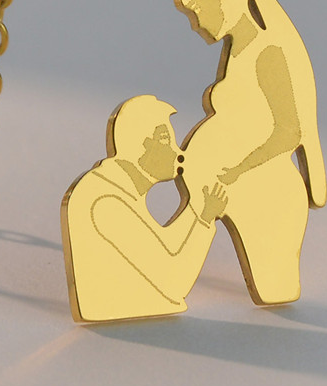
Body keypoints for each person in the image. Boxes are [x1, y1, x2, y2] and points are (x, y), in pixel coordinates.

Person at [61, 95, 227, 323]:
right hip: (121, 319)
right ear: (138, 145)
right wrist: (204, 219)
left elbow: (166, 247)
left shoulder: (118, 191)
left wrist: (201, 211)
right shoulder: (106, 200)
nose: (178, 152)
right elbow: (173, 281)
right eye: (165, 140)